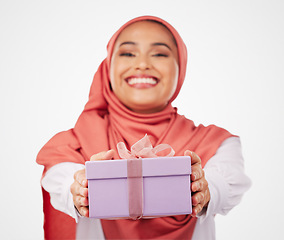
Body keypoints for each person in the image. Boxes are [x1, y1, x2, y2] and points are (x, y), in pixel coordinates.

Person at [37, 15, 251, 240]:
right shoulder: (72, 144)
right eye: (128, 53)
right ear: (108, 67)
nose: (142, 63)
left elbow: (225, 181)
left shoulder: (214, 143)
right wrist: (81, 189)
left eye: (159, 54)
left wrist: (205, 188)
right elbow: (63, 182)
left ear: (181, 68)